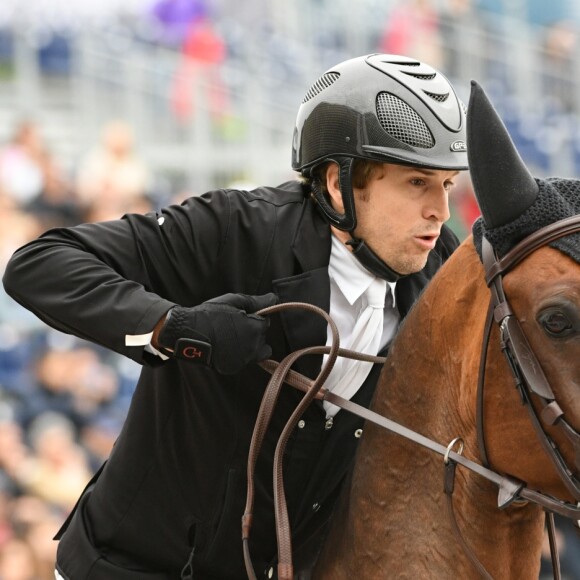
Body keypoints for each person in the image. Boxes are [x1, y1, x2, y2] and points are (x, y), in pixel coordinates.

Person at [2, 53, 468, 579]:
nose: (441, 210)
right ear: (339, 183)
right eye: (417, 184)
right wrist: (173, 327)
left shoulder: (440, 267)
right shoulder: (235, 227)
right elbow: (37, 264)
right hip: (131, 564)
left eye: (447, 185)